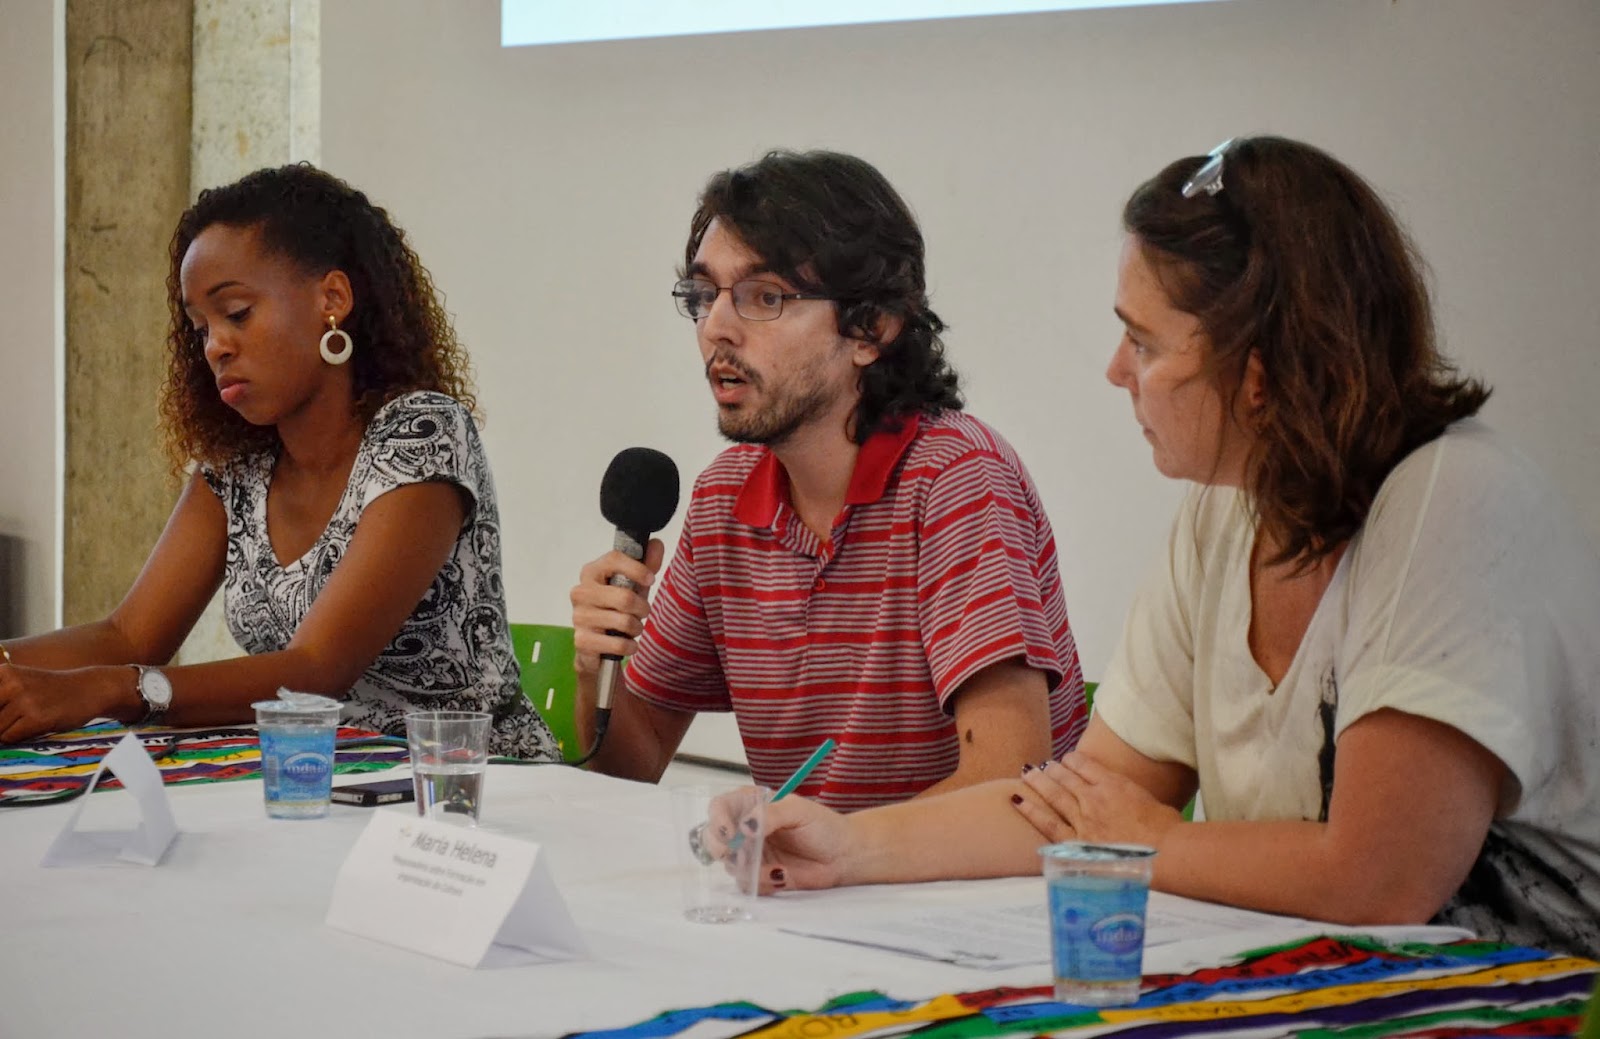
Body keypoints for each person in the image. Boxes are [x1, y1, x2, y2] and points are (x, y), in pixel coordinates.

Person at [730, 136, 1600, 957]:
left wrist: (1153, 839)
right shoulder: (1229, 507)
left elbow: (1380, 878)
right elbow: (1069, 803)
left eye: (1143, 341)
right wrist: (847, 846)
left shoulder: (1453, 496)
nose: (1116, 369)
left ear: (1257, 373)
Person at [570, 150, 1089, 811]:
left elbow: (1008, 784)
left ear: (872, 327)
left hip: (978, 900)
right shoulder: (723, 499)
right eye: (704, 296)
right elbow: (629, 770)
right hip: (816, 892)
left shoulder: (955, 478)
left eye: (765, 297)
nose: (716, 329)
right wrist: (596, 669)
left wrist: (840, 851)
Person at [0, 164, 558, 761]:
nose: (215, 344)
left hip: (468, 800)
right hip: (317, 785)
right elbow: (129, 634)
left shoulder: (422, 435)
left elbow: (317, 672)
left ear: (332, 300)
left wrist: (115, 688)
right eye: (200, 328)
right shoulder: (237, 467)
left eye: (236, 313)